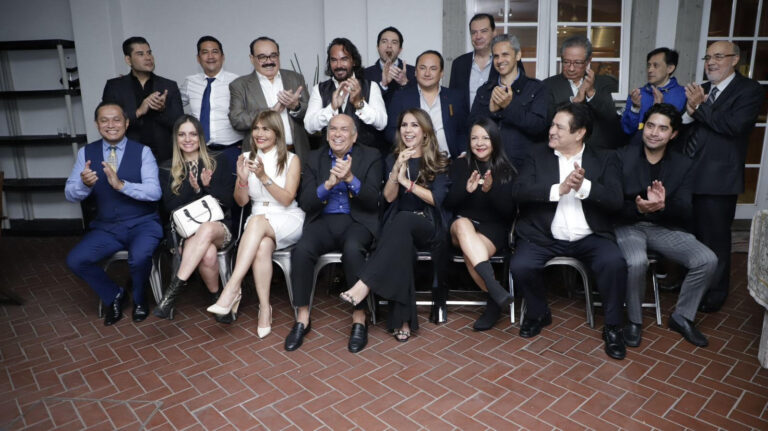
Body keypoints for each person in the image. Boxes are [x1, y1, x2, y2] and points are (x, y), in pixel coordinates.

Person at [509, 102, 627, 360]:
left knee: (614, 263)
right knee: (520, 266)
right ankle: (538, 312)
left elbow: (616, 200)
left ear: (579, 133)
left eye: (559, 127)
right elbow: (518, 191)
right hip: (543, 236)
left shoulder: (605, 158)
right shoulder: (535, 154)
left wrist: (584, 187)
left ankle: (613, 327)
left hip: (590, 236)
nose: (551, 131)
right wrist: (558, 190)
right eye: (552, 125)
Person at [339, 108, 449, 342]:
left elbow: (436, 199)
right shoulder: (392, 158)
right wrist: (396, 169)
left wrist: (406, 183)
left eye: (414, 125)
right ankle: (404, 322)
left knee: (403, 220)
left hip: (428, 224)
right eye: (404, 125)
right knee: (402, 247)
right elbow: (389, 198)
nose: (408, 130)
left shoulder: (439, 160)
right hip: (400, 228)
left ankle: (364, 283)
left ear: (425, 132)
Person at [615, 103, 716, 348]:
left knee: (707, 259)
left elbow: (685, 209)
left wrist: (662, 206)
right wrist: (639, 208)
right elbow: (611, 203)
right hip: (628, 224)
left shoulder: (683, 164)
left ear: (673, 134)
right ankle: (634, 321)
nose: (654, 133)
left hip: (662, 227)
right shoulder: (622, 156)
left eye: (662, 128)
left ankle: (682, 317)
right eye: (650, 126)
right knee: (636, 261)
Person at [285, 114, 383, 353]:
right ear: (327, 134)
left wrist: (349, 178)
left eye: (344, 129)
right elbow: (306, 202)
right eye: (333, 129)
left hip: (357, 220)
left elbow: (373, 200)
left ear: (354, 136)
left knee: (353, 250)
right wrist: (327, 185)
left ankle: (359, 318)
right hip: (323, 220)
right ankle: (302, 318)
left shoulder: (371, 156)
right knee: (301, 250)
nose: (338, 134)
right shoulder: (314, 157)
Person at [207, 110, 304, 338]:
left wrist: (262, 177)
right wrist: (242, 179)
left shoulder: (291, 159)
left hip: (287, 216)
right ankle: (264, 308)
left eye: (266, 129)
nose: (259, 134)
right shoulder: (245, 157)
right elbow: (242, 202)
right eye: (256, 129)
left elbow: (287, 199)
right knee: (261, 247)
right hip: (257, 222)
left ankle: (232, 288)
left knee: (258, 221)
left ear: (277, 132)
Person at [683, 41, 763, 312]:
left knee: (715, 240)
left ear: (735, 60)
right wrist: (688, 112)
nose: (711, 62)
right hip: (690, 176)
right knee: (691, 237)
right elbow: (690, 129)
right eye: (708, 57)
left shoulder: (749, 90)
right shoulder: (702, 89)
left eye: (718, 56)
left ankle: (714, 294)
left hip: (719, 181)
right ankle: (690, 285)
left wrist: (700, 108)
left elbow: (733, 126)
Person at [65, 102, 163, 326]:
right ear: (96, 124)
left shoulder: (143, 152)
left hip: (143, 223)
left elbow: (154, 192)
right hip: (107, 227)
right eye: (104, 120)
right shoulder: (86, 153)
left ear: (126, 123)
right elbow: (70, 194)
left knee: (139, 257)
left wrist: (122, 185)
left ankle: (140, 300)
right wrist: (83, 184)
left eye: (116, 119)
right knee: (76, 260)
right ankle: (115, 295)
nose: (111, 125)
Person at [153, 115, 236, 322]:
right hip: (185, 232)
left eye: (192, 134)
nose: (188, 139)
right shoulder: (166, 168)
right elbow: (169, 207)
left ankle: (172, 291)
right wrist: (194, 188)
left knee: (207, 228)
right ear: (176, 138)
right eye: (182, 134)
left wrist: (206, 187)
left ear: (200, 137)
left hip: (218, 228)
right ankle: (217, 298)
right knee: (208, 254)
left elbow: (228, 201)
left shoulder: (218, 160)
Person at [444, 118, 517, 330]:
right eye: (474, 138)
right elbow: (448, 204)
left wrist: (490, 191)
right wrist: (465, 191)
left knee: (471, 252)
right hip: (460, 228)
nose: (479, 143)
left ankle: (493, 298)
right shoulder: (460, 165)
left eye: (485, 138)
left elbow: (509, 213)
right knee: (462, 224)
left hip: (492, 230)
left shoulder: (507, 170)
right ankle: (494, 287)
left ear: (494, 140)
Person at [469, 34, 548, 168]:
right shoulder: (485, 90)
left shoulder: (536, 88)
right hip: (489, 165)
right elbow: (472, 126)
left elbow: (539, 127)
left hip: (524, 166)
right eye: (496, 56)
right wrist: (492, 112)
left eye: (505, 54)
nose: (500, 60)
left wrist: (508, 106)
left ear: (518, 55)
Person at [102, 36, 183, 163]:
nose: (148, 58)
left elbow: (180, 125)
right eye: (140, 54)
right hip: (128, 155)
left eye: (149, 53)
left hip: (165, 157)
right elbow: (108, 124)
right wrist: (138, 112)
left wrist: (162, 110)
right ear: (128, 60)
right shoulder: (114, 86)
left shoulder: (169, 85)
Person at [229, 36, 310, 163]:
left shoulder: (295, 78)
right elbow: (237, 120)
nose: (269, 61)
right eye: (262, 57)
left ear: (279, 55)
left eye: (273, 55)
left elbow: (310, 115)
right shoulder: (240, 85)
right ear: (252, 58)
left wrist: (296, 107)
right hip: (259, 157)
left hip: (295, 153)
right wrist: (270, 112)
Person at [304, 38, 387, 153]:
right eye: (334, 60)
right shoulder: (319, 89)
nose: (339, 65)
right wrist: (331, 108)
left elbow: (381, 123)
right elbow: (309, 127)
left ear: (354, 61)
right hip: (330, 157)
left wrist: (359, 103)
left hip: (363, 157)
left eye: (344, 59)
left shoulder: (371, 86)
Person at [542, 35, 623, 150]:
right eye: (566, 62)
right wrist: (575, 102)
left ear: (588, 61)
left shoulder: (602, 83)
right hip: (561, 151)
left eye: (577, 63)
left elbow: (610, 117)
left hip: (597, 152)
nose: (571, 68)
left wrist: (591, 92)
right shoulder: (548, 85)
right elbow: (545, 122)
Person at [386, 50, 469, 159]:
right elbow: (390, 132)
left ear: (442, 73)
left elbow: (463, 131)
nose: (427, 73)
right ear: (415, 72)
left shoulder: (455, 98)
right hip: (414, 160)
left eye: (433, 69)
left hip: (449, 161)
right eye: (422, 68)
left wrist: (464, 151)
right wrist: (409, 145)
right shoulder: (401, 97)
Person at [180, 36, 243, 173]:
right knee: (200, 185)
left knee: (233, 185)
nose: (210, 56)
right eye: (205, 52)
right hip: (199, 151)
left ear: (222, 56)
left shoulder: (236, 81)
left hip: (231, 150)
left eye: (215, 52)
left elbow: (247, 114)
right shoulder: (190, 82)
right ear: (198, 58)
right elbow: (174, 104)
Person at [621, 48, 686, 136]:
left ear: (670, 68)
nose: (650, 70)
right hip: (639, 143)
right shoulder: (638, 94)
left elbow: (683, 132)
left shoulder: (684, 94)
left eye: (655, 65)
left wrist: (660, 109)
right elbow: (627, 130)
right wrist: (635, 109)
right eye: (648, 66)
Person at [449, 13, 499, 109]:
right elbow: (452, 100)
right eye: (474, 32)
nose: (478, 36)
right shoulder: (458, 64)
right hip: (465, 119)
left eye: (483, 31)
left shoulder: (504, 62)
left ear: (494, 33)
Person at [364, 26, 416, 105]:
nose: (389, 45)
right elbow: (364, 104)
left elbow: (418, 102)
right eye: (384, 41)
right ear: (377, 47)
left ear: (400, 49)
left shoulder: (413, 72)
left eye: (394, 42)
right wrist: (383, 84)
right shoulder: (365, 74)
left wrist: (405, 83)